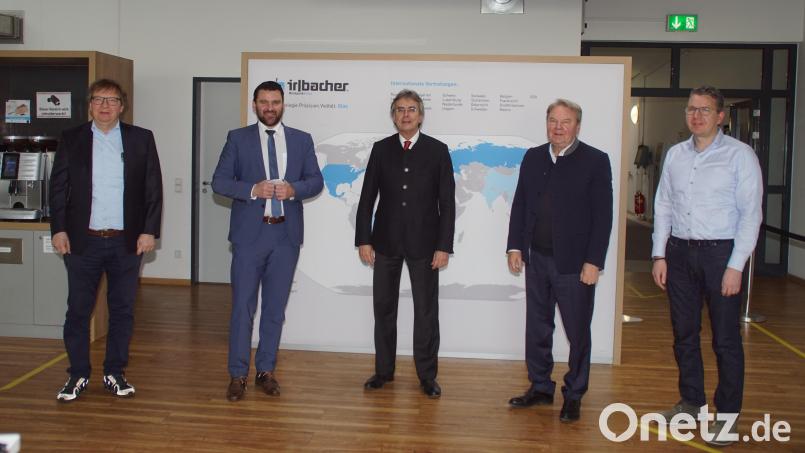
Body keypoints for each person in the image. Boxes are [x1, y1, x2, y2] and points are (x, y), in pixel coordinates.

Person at [651, 85, 762, 447]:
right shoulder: (676, 155)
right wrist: (659, 254)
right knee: (684, 334)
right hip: (680, 254)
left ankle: (726, 418)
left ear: (720, 116)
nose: (695, 116)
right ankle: (691, 403)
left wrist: (736, 266)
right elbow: (664, 204)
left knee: (726, 341)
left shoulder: (740, 156)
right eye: (690, 109)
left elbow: (750, 215)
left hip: (721, 255)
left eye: (703, 110)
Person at [50, 78, 163, 402]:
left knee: (123, 310)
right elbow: (58, 189)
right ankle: (77, 374)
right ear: (90, 104)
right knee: (78, 311)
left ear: (122, 106)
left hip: (125, 243)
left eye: (111, 100)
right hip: (82, 242)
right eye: (99, 99)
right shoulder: (72, 139)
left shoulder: (140, 139)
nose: (104, 106)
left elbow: (152, 188)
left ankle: (114, 371)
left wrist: (149, 230)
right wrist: (58, 229)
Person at [212, 80, 323, 402]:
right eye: (264, 102)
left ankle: (266, 371)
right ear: (254, 104)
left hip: (285, 237)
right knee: (242, 310)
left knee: (275, 309)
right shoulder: (238, 138)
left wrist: (294, 190)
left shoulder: (301, 140)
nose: (270, 108)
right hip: (249, 237)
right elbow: (219, 181)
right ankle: (237, 375)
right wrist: (251, 189)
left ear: (283, 104)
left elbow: (315, 180)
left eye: (275, 102)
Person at [505, 99, 613, 422]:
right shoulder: (533, 156)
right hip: (536, 259)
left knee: (578, 331)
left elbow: (603, 217)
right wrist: (514, 247)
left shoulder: (595, 161)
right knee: (537, 327)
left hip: (575, 266)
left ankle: (574, 393)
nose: (558, 127)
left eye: (565, 121)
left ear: (578, 125)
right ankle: (540, 387)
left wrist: (594, 261)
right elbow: (521, 203)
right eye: (553, 120)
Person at [355, 89, 455, 398]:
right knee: (383, 309)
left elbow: (447, 204)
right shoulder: (381, 149)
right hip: (384, 242)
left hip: (425, 246)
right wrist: (363, 239)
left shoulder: (438, 150)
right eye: (400, 109)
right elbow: (367, 197)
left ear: (421, 116)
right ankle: (383, 371)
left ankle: (427, 376)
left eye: (412, 109)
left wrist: (443, 245)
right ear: (393, 115)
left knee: (426, 312)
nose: (406, 114)